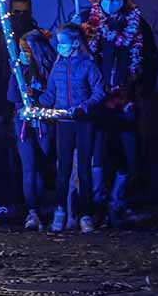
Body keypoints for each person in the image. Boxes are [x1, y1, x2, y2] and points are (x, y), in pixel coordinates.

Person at [83, 0, 158, 227]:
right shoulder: (90, 23)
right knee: (98, 153)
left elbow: (150, 59)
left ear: (124, 0)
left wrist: (141, 87)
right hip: (98, 99)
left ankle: (118, 202)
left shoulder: (137, 25)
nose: (110, 2)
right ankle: (97, 205)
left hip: (126, 99)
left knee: (128, 154)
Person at [39, 23, 103, 233]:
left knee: (84, 170)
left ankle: (85, 214)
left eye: (63, 43)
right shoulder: (57, 66)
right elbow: (50, 95)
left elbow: (98, 93)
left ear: (75, 43)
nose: (60, 46)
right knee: (63, 170)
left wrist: (83, 107)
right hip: (63, 124)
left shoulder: (88, 66)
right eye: (59, 43)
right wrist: (34, 98)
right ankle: (60, 213)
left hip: (83, 123)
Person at [0, 0, 39, 224]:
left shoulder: (35, 37)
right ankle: (7, 202)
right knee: (3, 155)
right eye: (15, 13)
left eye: (24, 13)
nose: (20, 17)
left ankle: (30, 206)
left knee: (29, 159)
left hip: (28, 104)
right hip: (3, 103)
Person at [9, 29, 56, 230]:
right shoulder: (19, 71)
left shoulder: (50, 71)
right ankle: (32, 211)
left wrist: (36, 96)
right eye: (21, 51)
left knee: (45, 164)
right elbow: (12, 97)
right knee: (29, 168)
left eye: (26, 51)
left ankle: (48, 206)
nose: (23, 54)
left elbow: (52, 96)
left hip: (44, 123)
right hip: (24, 124)